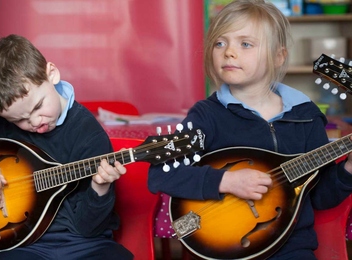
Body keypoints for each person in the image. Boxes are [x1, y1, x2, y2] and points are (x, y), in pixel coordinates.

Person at [148, 0, 352, 259]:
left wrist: (347, 170)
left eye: (245, 44)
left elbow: (319, 196)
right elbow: (161, 174)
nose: (229, 52)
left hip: (290, 249)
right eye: (220, 43)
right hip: (221, 247)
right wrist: (225, 181)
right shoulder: (206, 116)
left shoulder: (306, 116)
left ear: (279, 56)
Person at [0, 34, 133, 260]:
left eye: (38, 106)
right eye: (18, 120)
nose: (33, 121)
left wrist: (100, 189)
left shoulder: (88, 135)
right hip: (21, 246)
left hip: (84, 243)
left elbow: (89, 228)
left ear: (51, 74)